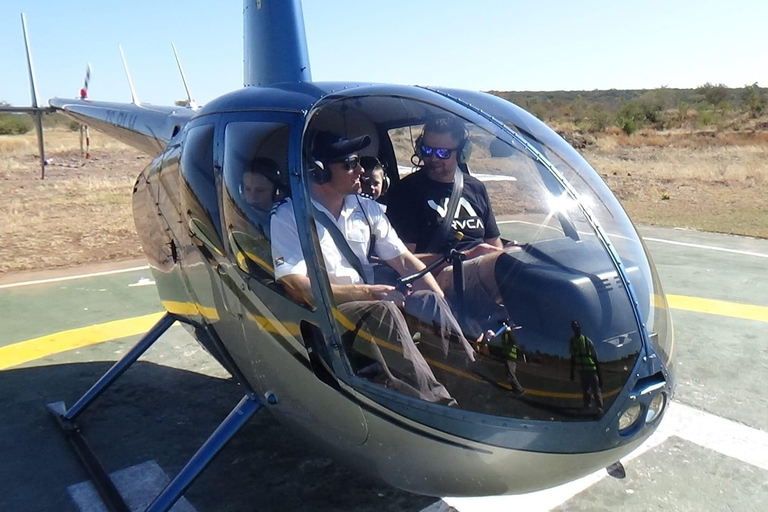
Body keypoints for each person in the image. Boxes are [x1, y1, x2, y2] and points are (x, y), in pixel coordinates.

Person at [270, 131, 474, 404]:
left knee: (429, 300)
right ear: (319, 172)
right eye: (350, 163)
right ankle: (437, 404)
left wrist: (444, 301)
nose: (362, 170)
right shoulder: (288, 216)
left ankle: (472, 386)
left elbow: (403, 260)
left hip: (367, 303)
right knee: (383, 308)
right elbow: (297, 288)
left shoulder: (367, 209)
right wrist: (369, 293)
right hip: (327, 311)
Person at [385, 114, 519, 337]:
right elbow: (401, 262)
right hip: (440, 278)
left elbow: (494, 246)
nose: (433, 159)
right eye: (427, 151)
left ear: (463, 151)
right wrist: (464, 256)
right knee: (507, 265)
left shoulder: (476, 188)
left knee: (526, 259)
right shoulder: (406, 193)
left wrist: (505, 253)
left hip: (483, 274)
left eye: (442, 153)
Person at [241, 157, 282, 239]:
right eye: (248, 189)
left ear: (276, 192)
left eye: (260, 191)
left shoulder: (283, 223)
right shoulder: (235, 220)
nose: (253, 197)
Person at [569, 320, 603, 415]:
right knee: (585, 390)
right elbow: (573, 357)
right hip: (582, 371)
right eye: (573, 326)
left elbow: (595, 358)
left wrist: (599, 376)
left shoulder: (587, 341)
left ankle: (600, 409)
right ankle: (587, 405)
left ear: (580, 327)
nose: (575, 327)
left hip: (591, 371)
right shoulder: (572, 342)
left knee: (596, 391)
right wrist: (572, 372)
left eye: (576, 325)